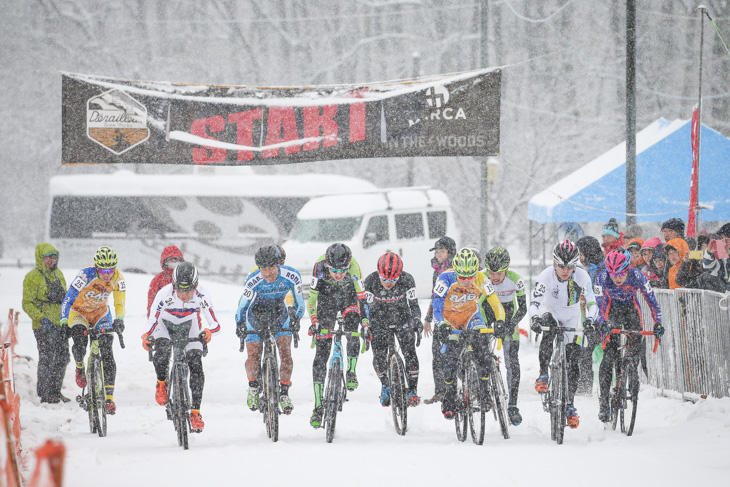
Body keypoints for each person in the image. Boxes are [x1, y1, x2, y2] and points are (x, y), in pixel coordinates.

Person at [143, 262, 220, 432]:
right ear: (174, 285)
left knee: (196, 364)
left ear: (196, 285)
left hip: (188, 324)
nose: (184, 295)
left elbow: (215, 324)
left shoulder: (202, 295)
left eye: (189, 290)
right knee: (161, 352)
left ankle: (195, 412)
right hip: (165, 323)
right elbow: (153, 318)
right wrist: (146, 335)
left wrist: (208, 332)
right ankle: (162, 382)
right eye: (180, 290)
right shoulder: (164, 293)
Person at [529, 240, 598, 429]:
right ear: (554, 262)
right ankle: (543, 374)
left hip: (572, 315)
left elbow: (591, 302)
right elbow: (534, 303)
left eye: (570, 267)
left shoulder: (582, 276)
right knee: (548, 330)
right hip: (550, 310)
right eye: (561, 266)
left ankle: (569, 404)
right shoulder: (545, 276)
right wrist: (534, 319)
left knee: (573, 360)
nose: (565, 271)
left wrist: (591, 320)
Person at [432, 248, 506, 420]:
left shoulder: (482, 278)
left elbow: (495, 302)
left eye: (470, 276)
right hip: (450, 320)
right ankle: (449, 397)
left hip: (471, 317)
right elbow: (436, 307)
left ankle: (485, 392)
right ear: (456, 272)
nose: (466, 281)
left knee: (484, 355)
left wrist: (500, 320)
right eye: (462, 277)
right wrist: (441, 324)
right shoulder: (444, 279)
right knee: (449, 361)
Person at [594, 250, 663, 422]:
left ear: (628, 269)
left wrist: (658, 323)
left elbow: (652, 302)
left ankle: (632, 372)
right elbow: (598, 306)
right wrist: (603, 323)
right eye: (613, 274)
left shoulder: (637, 276)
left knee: (635, 344)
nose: (617, 278)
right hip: (612, 311)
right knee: (609, 357)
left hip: (631, 309)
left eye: (621, 274)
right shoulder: (602, 278)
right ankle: (604, 402)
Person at [235, 245, 304, 415]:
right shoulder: (253, 279)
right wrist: (240, 323)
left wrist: (296, 318)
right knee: (254, 354)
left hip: (279, 313)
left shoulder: (292, 275)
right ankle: (252, 386)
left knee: (286, 353)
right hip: (255, 314)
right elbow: (242, 306)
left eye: (271, 268)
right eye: (263, 269)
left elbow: (299, 303)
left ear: (278, 264)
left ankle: (284, 393)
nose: (267, 273)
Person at [307, 243, 368, 427]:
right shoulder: (319, 267)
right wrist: (314, 321)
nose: (339, 274)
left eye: (343, 270)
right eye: (334, 270)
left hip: (349, 297)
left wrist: (365, 324)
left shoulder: (355, 268)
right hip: (326, 298)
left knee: (353, 328)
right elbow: (311, 299)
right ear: (327, 264)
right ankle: (318, 405)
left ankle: (351, 370)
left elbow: (363, 300)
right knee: (321, 354)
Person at [60, 246, 125, 415]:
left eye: (110, 270)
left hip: (100, 313)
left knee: (107, 351)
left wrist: (119, 319)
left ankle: (109, 398)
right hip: (79, 312)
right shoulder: (85, 275)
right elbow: (68, 298)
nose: (106, 274)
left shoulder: (118, 278)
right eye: (103, 270)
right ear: (96, 267)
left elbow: (120, 303)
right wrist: (64, 321)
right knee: (80, 343)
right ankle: (80, 367)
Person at [363, 252, 422, 407]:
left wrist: (416, 320)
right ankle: (385, 385)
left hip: (402, 317)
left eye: (393, 280)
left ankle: (413, 391)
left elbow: (414, 305)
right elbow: (365, 308)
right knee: (379, 355)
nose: (388, 283)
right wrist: (365, 325)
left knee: (410, 353)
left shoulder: (407, 279)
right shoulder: (370, 281)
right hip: (378, 319)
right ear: (378, 274)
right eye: (385, 279)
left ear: (399, 275)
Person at [482, 246, 526, 426]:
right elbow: (477, 306)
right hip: (487, 315)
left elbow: (523, 308)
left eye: (499, 273)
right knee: (481, 357)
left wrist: (510, 325)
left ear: (506, 269)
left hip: (508, 319)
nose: (495, 277)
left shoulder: (516, 280)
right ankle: (484, 394)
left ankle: (513, 405)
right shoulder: (481, 278)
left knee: (512, 363)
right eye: (491, 272)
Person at [22, 243, 70, 403]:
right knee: (48, 357)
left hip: (60, 323)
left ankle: (56, 391)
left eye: (53, 257)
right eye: (47, 257)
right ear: (40, 258)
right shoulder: (32, 277)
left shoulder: (59, 274)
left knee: (63, 357)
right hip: (43, 325)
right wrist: (41, 318)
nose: (51, 260)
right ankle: (44, 393)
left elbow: (66, 298)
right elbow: (27, 303)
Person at [423, 236, 456, 405]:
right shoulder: (437, 271)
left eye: (441, 251)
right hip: (440, 318)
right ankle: (440, 391)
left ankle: (461, 389)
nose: (438, 255)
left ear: (450, 253)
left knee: (455, 354)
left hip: (457, 317)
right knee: (437, 355)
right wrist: (429, 318)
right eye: (436, 252)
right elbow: (434, 294)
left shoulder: (457, 270)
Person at [575, 236, 605, 395]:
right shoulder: (592, 268)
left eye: (581, 253)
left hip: (601, 318)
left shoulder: (600, 270)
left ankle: (589, 387)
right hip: (592, 318)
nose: (579, 257)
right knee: (587, 352)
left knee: (593, 353)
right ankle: (585, 387)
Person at [147, 246, 184, 317]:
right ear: (165, 261)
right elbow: (151, 302)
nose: (174, 261)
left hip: (184, 318)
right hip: (163, 319)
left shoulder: (185, 277)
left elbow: (194, 303)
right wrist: (151, 320)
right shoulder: (158, 279)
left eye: (176, 259)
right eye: (171, 259)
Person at [703, 222, 730, 290]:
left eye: (727, 240)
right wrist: (710, 253)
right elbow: (712, 269)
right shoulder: (724, 256)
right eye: (722, 240)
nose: (724, 243)